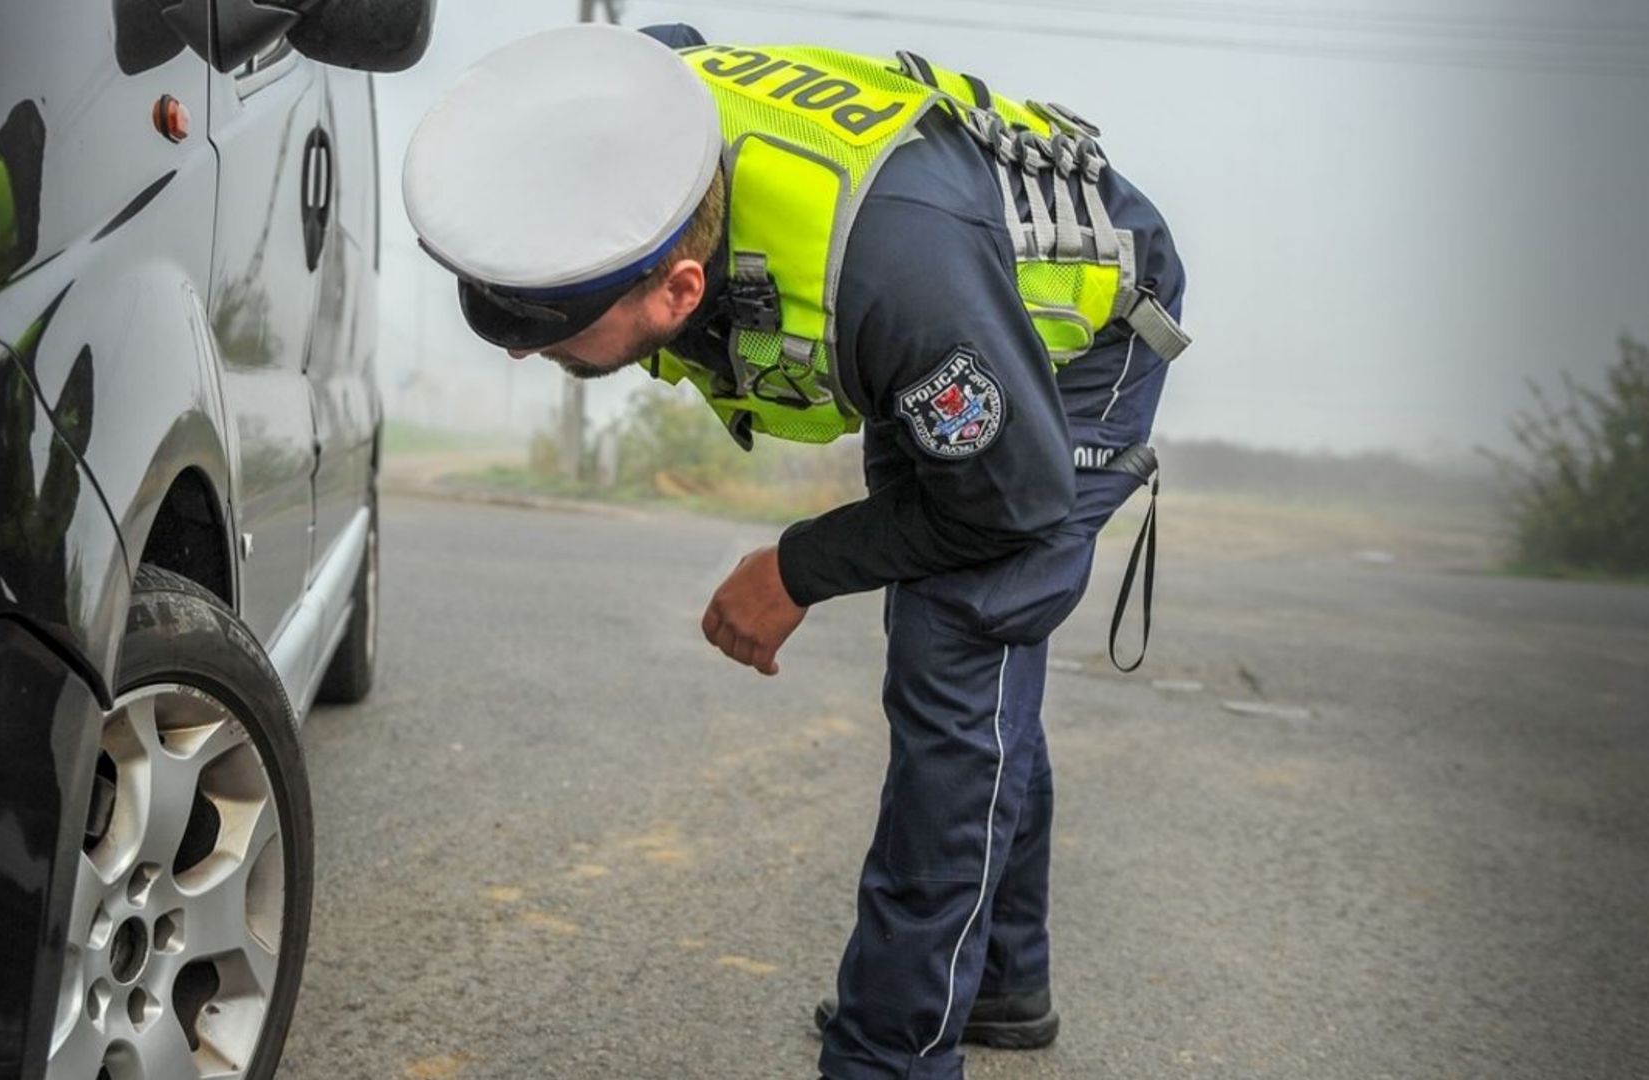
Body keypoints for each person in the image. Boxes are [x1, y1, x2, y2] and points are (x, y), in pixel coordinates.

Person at [402, 22, 1188, 1080]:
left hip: (1083, 330)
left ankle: (888, 1059)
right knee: (975, 663)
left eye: (546, 334)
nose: (517, 350)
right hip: (956, 292)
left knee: (958, 644)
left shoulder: (893, 282)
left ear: (678, 292)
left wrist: (794, 567)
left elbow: (1008, 502)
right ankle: (1003, 977)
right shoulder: (651, 124)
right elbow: (648, 53)